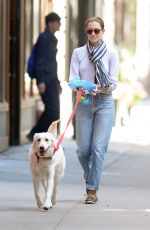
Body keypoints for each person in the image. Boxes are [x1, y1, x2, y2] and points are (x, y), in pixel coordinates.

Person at [69, 17, 119, 204]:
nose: (93, 34)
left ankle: (92, 191)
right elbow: (72, 80)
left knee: (98, 149)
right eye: (90, 31)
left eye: (96, 30)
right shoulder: (78, 53)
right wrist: (82, 86)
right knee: (83, 151)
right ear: (86, 32)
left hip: (105, 103)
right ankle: (91, 176)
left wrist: (96, 88)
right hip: (84, 103)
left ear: (103, 32)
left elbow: (113, 83)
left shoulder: (111, 54)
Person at [27, 12, 62, 141]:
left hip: (52, 81)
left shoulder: (51, 38)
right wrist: (41, 81)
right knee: (52, 110)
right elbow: (41, 60)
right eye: (58, 22)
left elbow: (53, 62)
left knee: (55, 111)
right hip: (45, 81)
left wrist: (57, 83)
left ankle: (51, 140)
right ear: (50, 23)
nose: (60, 24)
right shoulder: (44, 38)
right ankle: (35, 134)